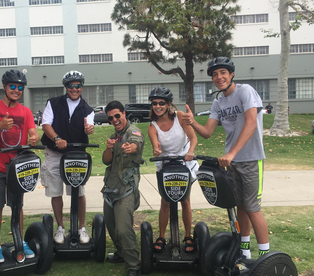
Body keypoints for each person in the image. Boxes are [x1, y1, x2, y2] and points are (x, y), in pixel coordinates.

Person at [182, 57, 269, 259]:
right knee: (241, 205)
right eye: (214, 74)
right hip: (232, 163)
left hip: (251, 158)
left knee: (253, 208)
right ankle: (245, 252)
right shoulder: (219, 102)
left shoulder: (245, 91)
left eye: (222, 72)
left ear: (232, 74)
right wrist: (192, 122)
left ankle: (266, 255)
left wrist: (232, 152)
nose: (218, 77)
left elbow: (251, 123)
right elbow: (207, 132)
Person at [0, 69, 39, 263]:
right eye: (12, 86)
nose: (16, 90)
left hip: (17, 168)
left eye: (20, 87)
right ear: (4, 87)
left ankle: (19, 241)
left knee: (17, 207)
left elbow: (32, 131)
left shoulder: (25, 111)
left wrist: (33, 137)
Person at [40, 71, 95, 245]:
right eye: (71, 85)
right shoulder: (54, 103)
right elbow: (46, 124)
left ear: (82, 87)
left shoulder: (87, 109)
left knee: (78, 192)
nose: (74, 89)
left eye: (78, 85)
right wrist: (57, 139)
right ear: (66, 87)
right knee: (56, 192)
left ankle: (80, 228)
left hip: (76, 155)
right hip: (55, 154)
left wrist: (88, 130)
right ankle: (61, 227)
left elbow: (89, 125)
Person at [147, 87, 199, 253]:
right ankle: (162, 236)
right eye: (155, 103)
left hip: (184, 163)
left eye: (161, 103)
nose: (158, 106)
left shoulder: (180, 117)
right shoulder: (152, 126)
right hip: (165, 165)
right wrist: (156, 150)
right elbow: (156, 145)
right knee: (165, 202)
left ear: (168, 104)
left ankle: (188, 235)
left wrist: (190, 152)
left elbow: (193, 138)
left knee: (185, 200)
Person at [102, 100, 145, 276]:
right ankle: (121, 253)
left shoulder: (132, 131)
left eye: (117, 116)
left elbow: (137, 143)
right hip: (111, 187)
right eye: (111, 118)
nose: (115, 120)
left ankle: (134, 265)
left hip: (126, 187)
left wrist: (131, 147)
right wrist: (109, 148)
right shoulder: (113, 136)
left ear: (124, 113)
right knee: (111, 225)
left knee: (123, 228)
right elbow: (106, 161)